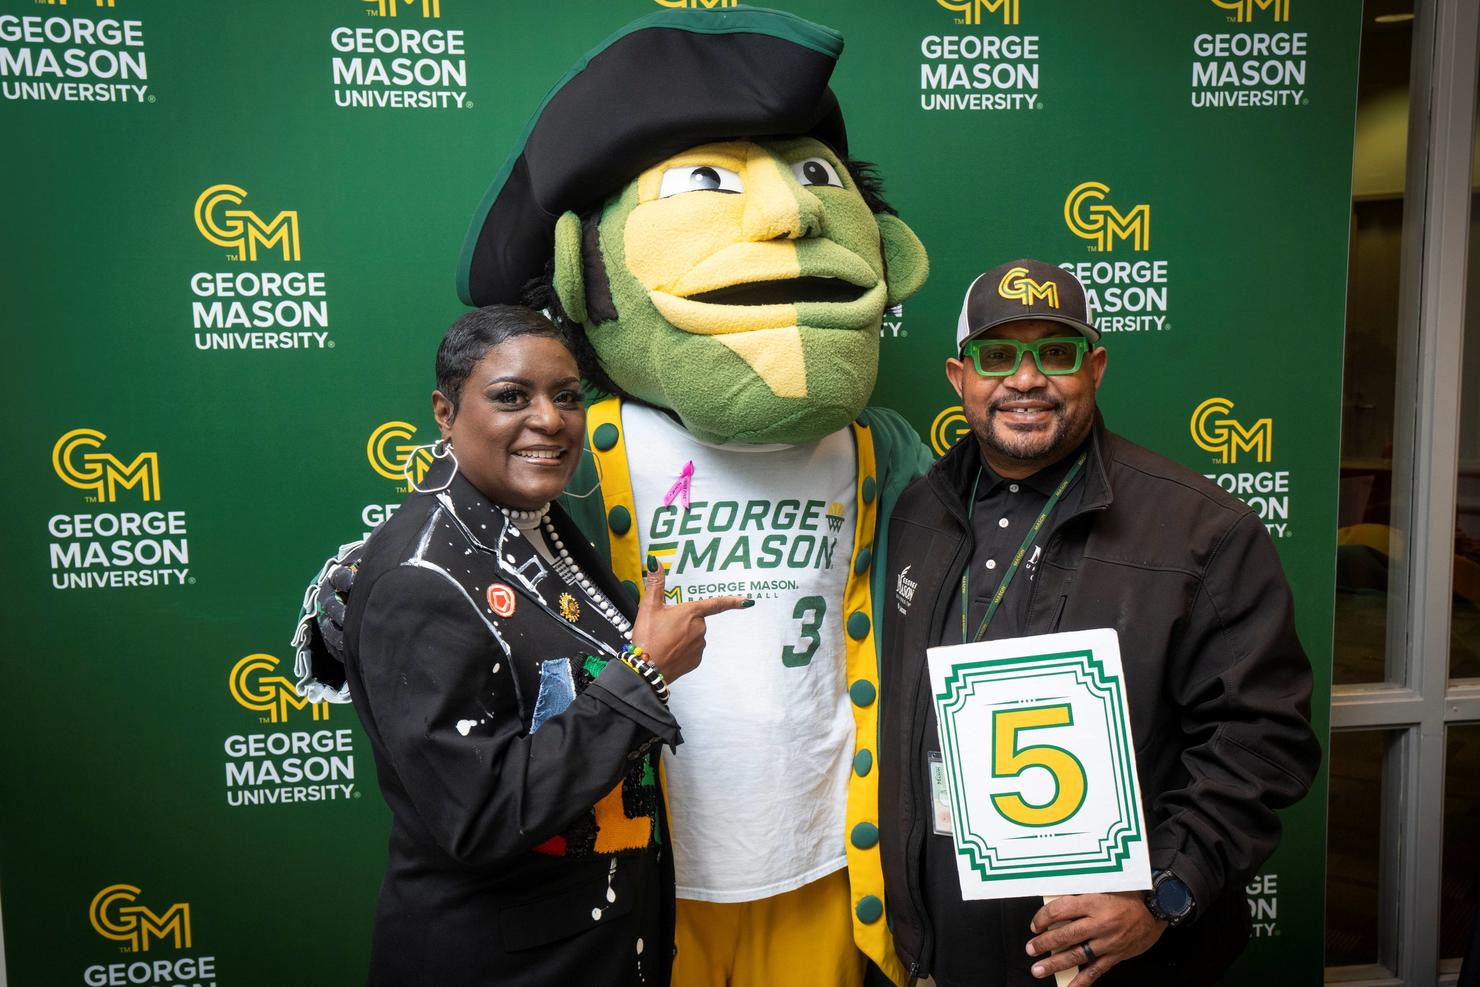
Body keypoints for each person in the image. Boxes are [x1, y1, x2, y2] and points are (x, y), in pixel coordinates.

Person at [454, 9, 932, 985]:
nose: (787, 217)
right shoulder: (570, 447)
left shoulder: (877, 450)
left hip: (824, 855)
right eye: (707, 183)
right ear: (581, 272)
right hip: (646, 867)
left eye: (812, 178)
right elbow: (457, 576)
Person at [876, 259, 1321, 986]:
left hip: (1116, 964)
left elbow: (1262, 742)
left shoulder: (1203, 531)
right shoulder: (916, 513)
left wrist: (1162, 890)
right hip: (941, 952)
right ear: (960, 377)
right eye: (997, 356)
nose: (1026, 379)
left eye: (1056, 353)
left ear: (1096, 368)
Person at [334, 305, 746, 986]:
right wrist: (644, 674)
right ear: (445, 413)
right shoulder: (420, 576)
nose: (550, 420)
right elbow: (481, 815)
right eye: (510, 396)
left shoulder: (535, 521)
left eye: (567, 396)